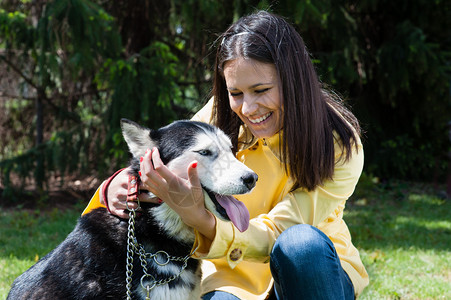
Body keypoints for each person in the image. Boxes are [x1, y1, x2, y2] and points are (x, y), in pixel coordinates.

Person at [83, 10, 369, 300]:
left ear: (293, 80)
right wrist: (123, 183)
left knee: (300, 243)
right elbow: (174, 156)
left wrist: (200, 220)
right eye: (236, 93)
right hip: (231, 278)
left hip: (308, 271)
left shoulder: (339, 145)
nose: (247, 109)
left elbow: (276, 234)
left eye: (262, 90)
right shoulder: (220, 114)